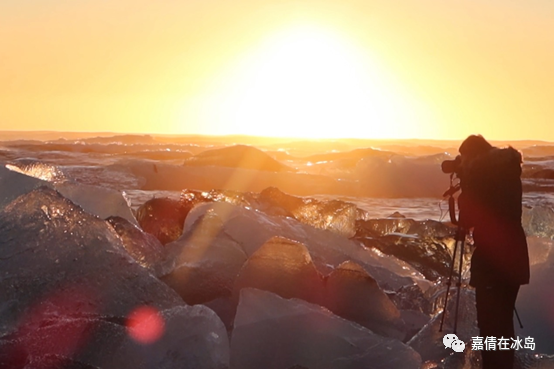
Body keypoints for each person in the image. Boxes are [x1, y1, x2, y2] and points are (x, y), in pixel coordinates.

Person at [456, 135, 530, 368]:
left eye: (465, 158)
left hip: (492, 259)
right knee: (503, 324)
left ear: (474, 156)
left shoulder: (481, 175)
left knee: (490, 326)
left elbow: (468, 216)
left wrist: (466, 183)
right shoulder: (507, 170)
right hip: (515, 256)